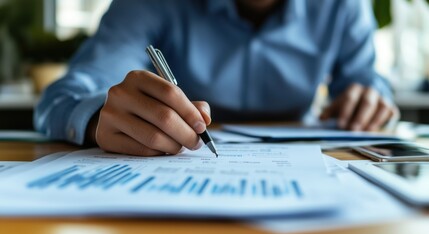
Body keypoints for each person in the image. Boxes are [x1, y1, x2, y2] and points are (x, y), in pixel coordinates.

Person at [35, 0, 399, 156]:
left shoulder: (342, 5)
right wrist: (100, 117)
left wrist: (371, 98)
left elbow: (364, 80)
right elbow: (63, 96)